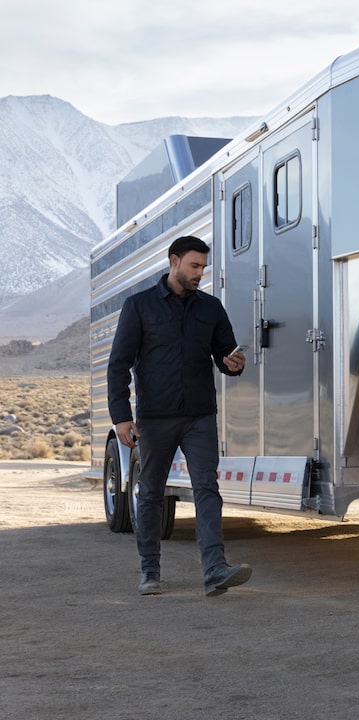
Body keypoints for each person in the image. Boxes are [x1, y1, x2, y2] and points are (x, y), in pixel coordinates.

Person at [107, 235, 252, 597]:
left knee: (207, 487)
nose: (200, 273)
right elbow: (118, 365)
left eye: (203, 267)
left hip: (200, 415)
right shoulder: (139, 307)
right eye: (194, 266)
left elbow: (224, 354)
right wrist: (121, 416)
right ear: (174, 262)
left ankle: (215, 570)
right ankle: (150, 571)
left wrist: (234, 364)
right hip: (156, 418)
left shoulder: (211, 308)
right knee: (152, 492)